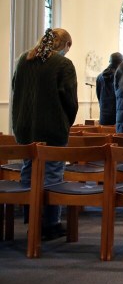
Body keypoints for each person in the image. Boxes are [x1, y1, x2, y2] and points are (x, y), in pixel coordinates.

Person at [12, 28, 77, 240]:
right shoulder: (63, 64)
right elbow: (69, 100)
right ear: (65, 45)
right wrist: (66, 122)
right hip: (51, 128)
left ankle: (32, 218)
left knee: (29, 170)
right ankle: (49, 224)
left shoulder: (24, 59)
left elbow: (15, 87)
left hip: (24, 126)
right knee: (52, 174)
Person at [95, 52, 123, 126]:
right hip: (117, 116)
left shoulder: (99, 77)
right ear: (121, 63)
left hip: (104, 116)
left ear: (109, 61)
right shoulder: (121, 77)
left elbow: (98, 96)